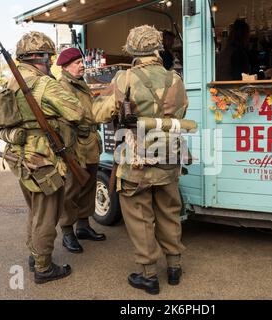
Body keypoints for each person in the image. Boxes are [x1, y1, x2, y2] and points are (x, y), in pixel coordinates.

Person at [92, 25, 189, 295]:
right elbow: (182, 110)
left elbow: (100, 113)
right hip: (169, 156)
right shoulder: (175, 79)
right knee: (169, 212)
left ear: (133, 50)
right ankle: (174, 267)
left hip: (137, 159)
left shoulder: (125, 78)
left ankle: (148, 275)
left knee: (140, 217)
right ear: (158, 49)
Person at [5, 32, 85, 284]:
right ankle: (44, 267)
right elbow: (76, 112)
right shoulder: (43, 83)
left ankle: (34, 255)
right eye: (49, 57)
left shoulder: (11, 83)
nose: (51, 61)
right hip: (44, 159)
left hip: (20, 155)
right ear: (42, 57)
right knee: (47, 215)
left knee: (35, 211)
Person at [56, 48, 106, 254]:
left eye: (81, 61)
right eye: (76, 62)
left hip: (90, 142)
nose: (81, 65)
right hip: (75, 143)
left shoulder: (80, 83)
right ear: (65, 66)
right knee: (71, 188)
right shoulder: (62, 86)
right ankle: (68, 232)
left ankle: (83, 226)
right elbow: (71, 116)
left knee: (88, 185)